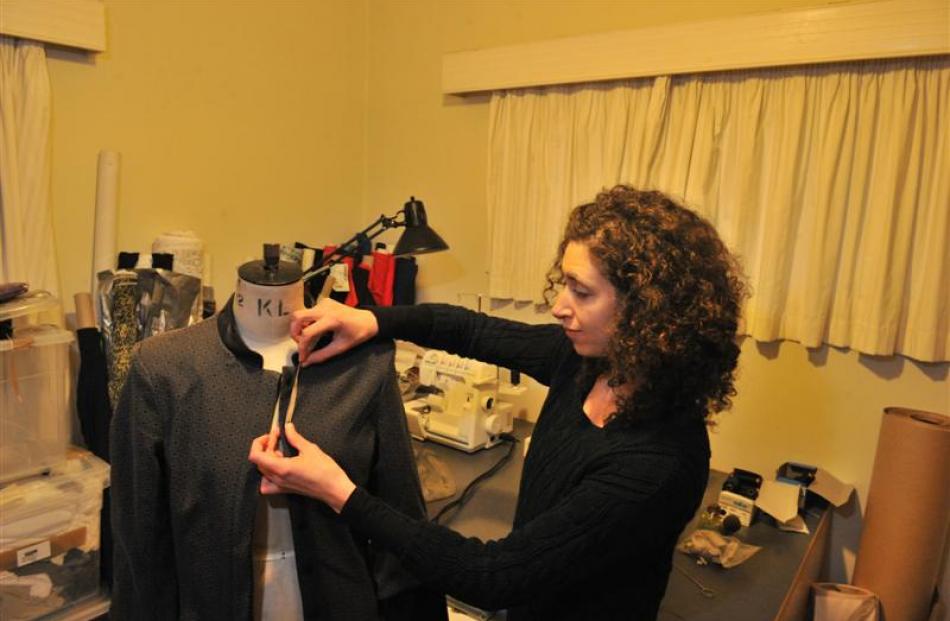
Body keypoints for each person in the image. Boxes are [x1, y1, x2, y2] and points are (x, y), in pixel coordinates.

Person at [249, 185, 746, 620]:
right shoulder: (587, 365)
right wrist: (374, 320)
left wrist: (339, 491)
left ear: (647, 312)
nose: (560, 305)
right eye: (565, 283)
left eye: (582, 292)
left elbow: (490, 575)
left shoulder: (658, 462)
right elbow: (469, 328)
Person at [111, 250, 445, 620]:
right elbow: (139, 537)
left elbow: (401, 513)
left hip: (342, 601)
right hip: (210, 604)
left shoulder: (365, 364)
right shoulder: (163, 368)